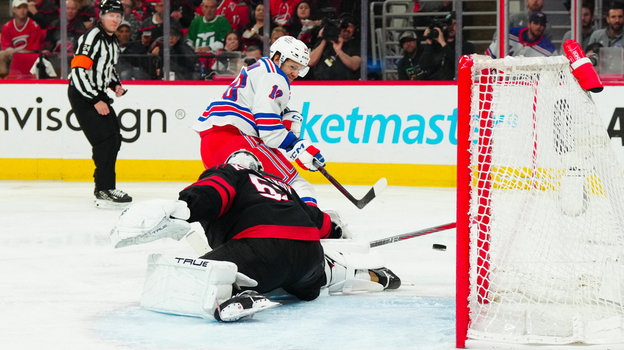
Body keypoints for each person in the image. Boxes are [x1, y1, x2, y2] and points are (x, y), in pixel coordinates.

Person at [111, 150, 400, 322]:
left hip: (262, 250)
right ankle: (364, 274)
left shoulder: (230, 172)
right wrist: (336, 229)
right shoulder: (279, 184)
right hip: (309, 255)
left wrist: (185, 206)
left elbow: (215, 192)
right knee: (314, 273)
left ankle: (238, 295)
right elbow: (316, 221)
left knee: (191, 275)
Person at [193, 35, 323, 206]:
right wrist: (296, 147)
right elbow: (269, 131)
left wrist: (285, 114)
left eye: (300, 69)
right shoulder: (275, 77)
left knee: (247, 198)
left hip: (211, 145)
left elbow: (258, 112)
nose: (295, 73)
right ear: (277, 58)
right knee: (297, 185)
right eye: (292, 66)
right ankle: (312, 222)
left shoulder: (259, 69)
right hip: (236, 141)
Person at [67, 0, 132, 208]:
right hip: (83, 94)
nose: (115, 19)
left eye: (118, 15)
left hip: (96, 93)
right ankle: (104, 188)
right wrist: (95, 100)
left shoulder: (112, 41)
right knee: (105, 140)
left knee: (114, 137)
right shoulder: (92, 37)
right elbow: (78, 71)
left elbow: (107, 68)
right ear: (102, 16)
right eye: (111, 15)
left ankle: (105, 187)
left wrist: (115, 85)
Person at [418, 12, 475, 80]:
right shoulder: (435, 46)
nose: (451, 27)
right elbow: (423, 66)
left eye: (455, 24)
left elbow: (461, 65)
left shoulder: (467, 46)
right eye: (449, 24)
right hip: (434, 85)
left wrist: (443, 44)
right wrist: (429, 43)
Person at [308, 14, 360, 80]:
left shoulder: (355, 44)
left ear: (355, 29)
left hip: (345, 85)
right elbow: (310, 62)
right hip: (320, 84)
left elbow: (355, 65)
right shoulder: (324, 42)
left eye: (350, 26)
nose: (347, 29)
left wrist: (339, 51)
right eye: (344, 26)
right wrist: (325, 38)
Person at [0, 0, 44, 78]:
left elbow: (32, 49)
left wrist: (15, 52)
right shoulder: (7, 27)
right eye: (19, 8)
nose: (22, 11)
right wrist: (12, 52)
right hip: (12, 55)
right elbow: (5, 47)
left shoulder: (34, 26)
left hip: (29, 56)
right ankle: (3, 80)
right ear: (14, 9)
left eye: (25, 7)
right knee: (1, 55)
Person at [485, 11, 556, 58]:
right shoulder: (509, 34)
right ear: (528, 24)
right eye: (535, 23)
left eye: (542, 24)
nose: (538, 26)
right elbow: (489, 56)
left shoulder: (549, 49)